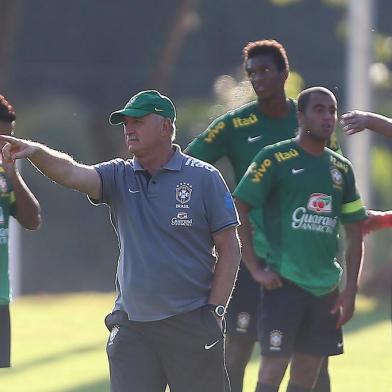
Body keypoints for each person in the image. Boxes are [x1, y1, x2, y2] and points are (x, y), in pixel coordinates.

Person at [0, 90, 241, 392]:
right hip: (133, 327)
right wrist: (34, 151)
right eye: (126, 123)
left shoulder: (204, 177)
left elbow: (230, 249)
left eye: (138, 121)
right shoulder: (119, 175)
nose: (129, 129)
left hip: (190, 322)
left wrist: (215, 312)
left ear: (166, 127)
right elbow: (71, 172)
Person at [186, 39, 337, 392]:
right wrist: (211, 222)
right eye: (252, 73)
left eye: (265, 71)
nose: (258, 79)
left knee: (314, 359)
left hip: (305, 262)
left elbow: (334, 182)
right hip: (253, 256)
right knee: (237, 349)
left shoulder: (311, 120)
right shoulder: (235, 125)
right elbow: (188, 167)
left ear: (284, 73)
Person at [233, 87, 366, 392]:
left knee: (307, 375)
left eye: (332, 110)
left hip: (325, 290)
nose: (328, 117)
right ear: (301, 116)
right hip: (284, 285)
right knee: (272, 370)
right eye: (319, 110)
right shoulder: (275, 158)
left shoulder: (341, 169)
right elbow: (238, 207)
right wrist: (253, 267)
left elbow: (355, 230)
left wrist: (351, 289)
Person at [0, 94, 41, 368]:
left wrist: (13, 174)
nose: (7, 146)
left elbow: (33, 219)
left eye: (10, 139)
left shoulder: (5, 177)